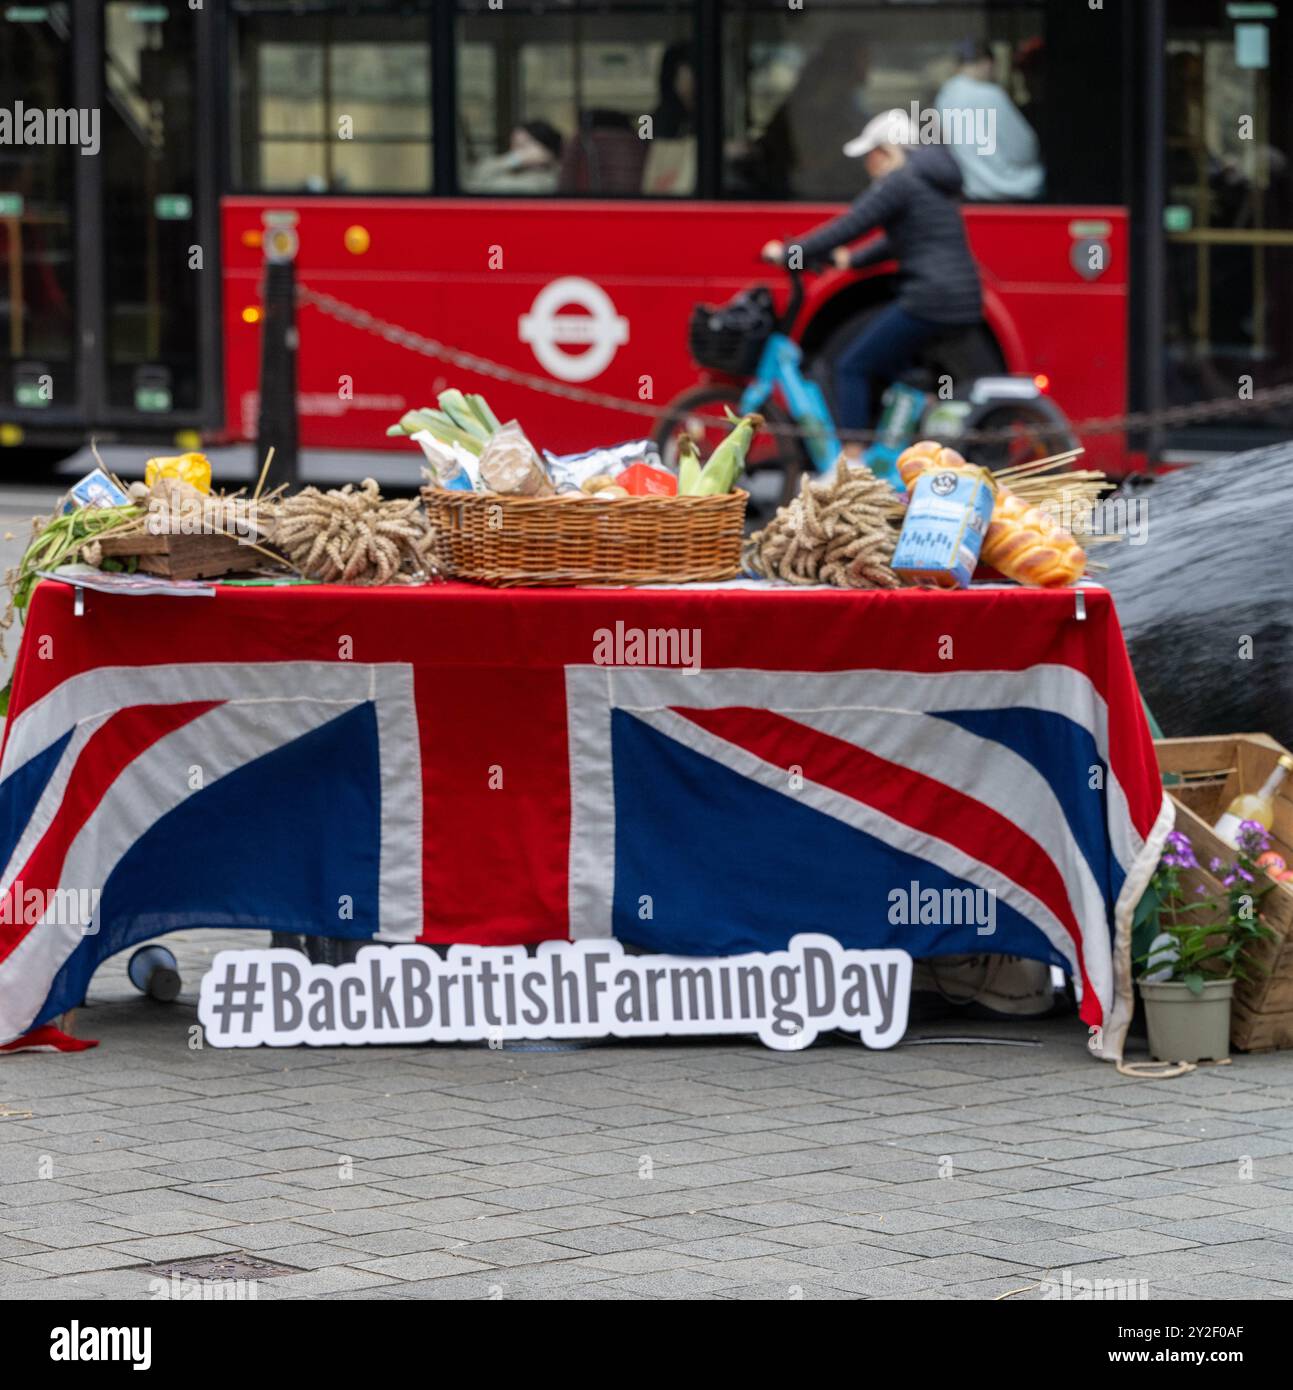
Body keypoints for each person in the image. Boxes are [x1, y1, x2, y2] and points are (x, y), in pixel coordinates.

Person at [760, 108, 983, 442]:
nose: (867, 165)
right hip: (958, 298)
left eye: (869, 155)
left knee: (851, 366)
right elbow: (903, 239)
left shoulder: (900, 181)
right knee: (894, 369)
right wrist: (852, 260)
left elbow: (850, 225)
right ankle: (917, 431)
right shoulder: (927, 180)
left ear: (884, 151)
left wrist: (793, 251)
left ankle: (853, 458)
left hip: (929, 299)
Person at [934, 39, 1043, 202]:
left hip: (971, 191)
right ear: (987, 63)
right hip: (1011, 189)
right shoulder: (990, 95)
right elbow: (1023, 148)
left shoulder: (945, 96)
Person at [466, 121, 563, 194]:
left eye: (522, 146)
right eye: (513, 146)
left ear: (543, 149)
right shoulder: (514, 168)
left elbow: (476, 187)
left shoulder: (544, 179)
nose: (515, 153)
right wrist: (511, 161)